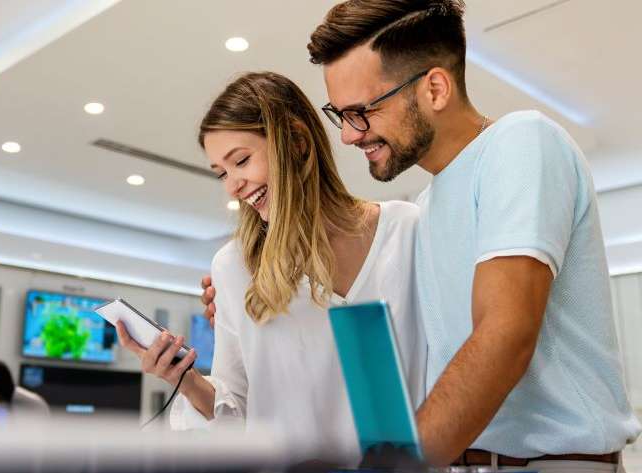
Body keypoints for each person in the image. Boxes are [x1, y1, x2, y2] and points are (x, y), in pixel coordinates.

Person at [201, 1, 641, 471]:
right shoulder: (426, 209)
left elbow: (504, 334)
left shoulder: (521, 142)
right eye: (340, 115)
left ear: (434, 88)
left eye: (362, 112)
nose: (349, 136)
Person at [116, 71, 426, 467]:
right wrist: (184, 380)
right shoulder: (235, 266)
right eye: (222, 173)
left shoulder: (405, 229)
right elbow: (236, 413)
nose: (233, 186)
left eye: (241, 161)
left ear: (296, 141)